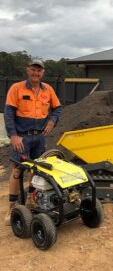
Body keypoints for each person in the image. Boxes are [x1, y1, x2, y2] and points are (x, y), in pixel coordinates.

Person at [4, 59, 62, 225]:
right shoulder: (16, 88)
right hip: (22, 137)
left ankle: (31, 198)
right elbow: (8, 114)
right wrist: (13, 136)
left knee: (36, 169)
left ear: (43, 73)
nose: (36, 73)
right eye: (33, 70)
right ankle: (12, 206)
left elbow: (57, 108)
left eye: (39, 70)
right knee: (17, 170)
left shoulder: (48, 90)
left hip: (39, 138)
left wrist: (52, 121)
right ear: (27, 70)